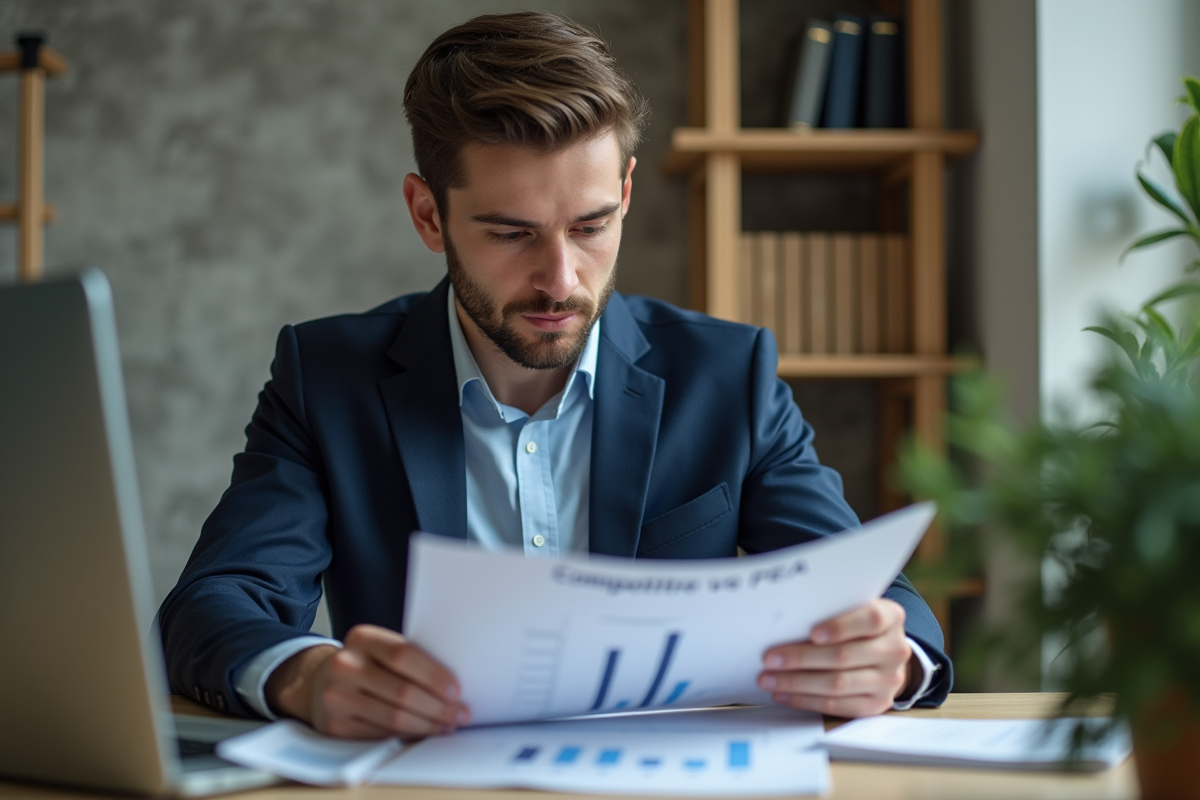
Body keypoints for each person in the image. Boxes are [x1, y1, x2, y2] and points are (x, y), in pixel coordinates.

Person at [158, 11, 951, 739]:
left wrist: (894, 658)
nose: (561, 279)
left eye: (592, 226)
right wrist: (308, 675)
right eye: (511, 233)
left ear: (627, 193)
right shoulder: (326, 376)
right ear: (428, 215)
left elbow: (889, 605)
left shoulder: (727, 376)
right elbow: (212, 605)